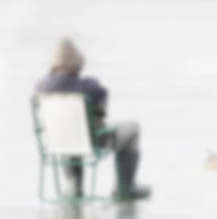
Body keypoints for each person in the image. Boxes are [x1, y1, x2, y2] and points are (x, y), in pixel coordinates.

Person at [34, 37, 151, 200]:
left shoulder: (41, 87)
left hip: (57, 141)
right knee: (133, 128)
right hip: (92, 140)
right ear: (77, 65)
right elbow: (101, 111)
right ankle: (125, 188)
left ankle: (75, 187)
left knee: (69, 135)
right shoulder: (89, 86)